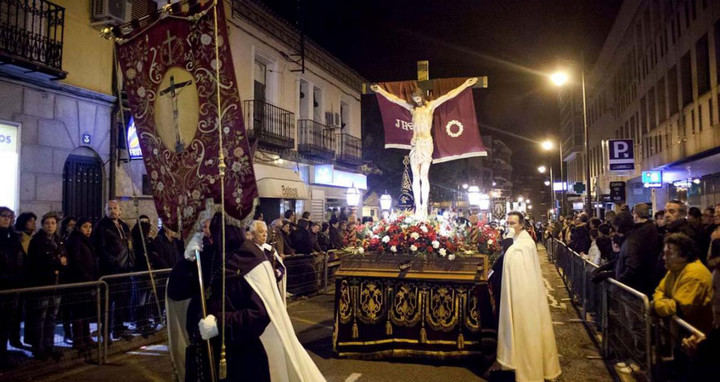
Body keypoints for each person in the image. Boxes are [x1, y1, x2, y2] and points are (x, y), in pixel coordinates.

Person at [191, 219, 325, 381]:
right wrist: (187, 261)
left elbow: (260, 313)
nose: (205, 232)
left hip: (242, 355)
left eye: (209, 227)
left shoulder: (249, 258)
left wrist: (220, 324)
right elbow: (184, 290)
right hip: (210, 348)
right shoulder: (213, 254)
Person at [371, 78, 478, 220]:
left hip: (426, 142)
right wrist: (380, 91)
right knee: (415, 176)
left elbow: (448, 96)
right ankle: (418, 206)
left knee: (423, 176)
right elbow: (394, 99)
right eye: (414, 98)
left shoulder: (430, 106)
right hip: (415, 144)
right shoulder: (412, 108)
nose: (417, 100)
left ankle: (424, 207)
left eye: (418, 97)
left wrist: (465, 84)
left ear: (422, 97)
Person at [495, 211, 561, 382]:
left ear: (521, 225)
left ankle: (530, 373)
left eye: (513, 223)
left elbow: (519, 268)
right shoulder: (517, 241)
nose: (510, 226)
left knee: (526, 333)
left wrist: (508, 243)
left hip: (524, 297)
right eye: (508, 223)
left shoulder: (524, 244)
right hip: (517, 294)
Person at [26, 212, 68, 360]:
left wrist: (59, 262)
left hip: (56, 284)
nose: (50, 226)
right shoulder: (37, 241)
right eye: (47, 223)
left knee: (52, 317)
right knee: (40, 317)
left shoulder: (59, 240)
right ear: (42, 225)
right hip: (43, 284)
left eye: (53, 223)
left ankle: (49, 345)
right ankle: (39, 347)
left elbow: (64, 258)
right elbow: (39, 262)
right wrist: (57, 261)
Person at [653, 233, 713, 333]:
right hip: (680, 334)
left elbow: (680, 308)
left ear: (684, 256)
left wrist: (657, 305)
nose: (664, 258)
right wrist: (661, 302)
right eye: (664, 253)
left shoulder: (694, 274)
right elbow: (659, 290)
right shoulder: (674, 270)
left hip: (695, 336)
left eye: (669, 254)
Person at [92, 200, 134, 340]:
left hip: (125, 269)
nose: (112, 211)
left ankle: (119, 328)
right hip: (111, 271)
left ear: (120, 210)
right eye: (109, 208)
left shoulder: (123, 226)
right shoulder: (101, 227)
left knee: (122, 300)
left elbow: (129, 244)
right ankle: (106, 331)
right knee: (108, 302)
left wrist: (130, 260)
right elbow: (101, 248)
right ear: (105, 211)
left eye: (115, 208)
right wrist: (112, 262)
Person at [65, 217, 98, 351]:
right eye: (85, 227)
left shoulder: (86, 241)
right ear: (79, 228)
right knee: (78, 311)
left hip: (87, 280)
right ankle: (79, 340)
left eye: (90, 227)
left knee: (85, 311)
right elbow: (77, 261)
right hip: (79, 281)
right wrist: (85, 275)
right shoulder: (75, 241)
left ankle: (86, 336)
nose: (88, 230)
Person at [614, 203, 660, 296]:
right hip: (646, 279)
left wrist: (620, 281)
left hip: (639, 283)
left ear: (635, 214)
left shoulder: (637, 234)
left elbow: (633, 263)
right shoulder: (652, 228)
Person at [0, 207, 24, 367]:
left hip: (12, 282)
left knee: (6, 321)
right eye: (3, 216)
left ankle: (4, 352)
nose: (6, 219)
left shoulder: (14, 237)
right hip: (2, 282)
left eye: (9, 216)